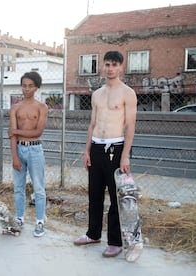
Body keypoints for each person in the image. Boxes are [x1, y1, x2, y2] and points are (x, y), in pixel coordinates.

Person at [73, 51, 137, 258]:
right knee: (94, 194)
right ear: (103, 66)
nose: (110, 68)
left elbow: (130, 127)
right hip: (97, 147)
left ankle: (115, 242)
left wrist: (125, 155)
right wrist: (87, 150)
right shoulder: (97, 94)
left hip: (116, 148)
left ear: (121, 68)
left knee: (115, 198)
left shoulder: (128, 93)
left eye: (114, 65)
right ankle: (93, 234)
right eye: (107, 64)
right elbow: (92, 123)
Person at [8, 71, 48, 237]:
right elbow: (12, 136)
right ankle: (19, 219)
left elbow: (38, 132)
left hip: (35, 150)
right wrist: (15, 157)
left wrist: (15, 131)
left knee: (38, 188)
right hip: (19, 149)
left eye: (30, 86)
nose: (27, 89)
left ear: (36, 87)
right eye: (24, 85)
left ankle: (39, 221)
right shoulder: (15, 108)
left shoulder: (41, 107)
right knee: (18, 188)